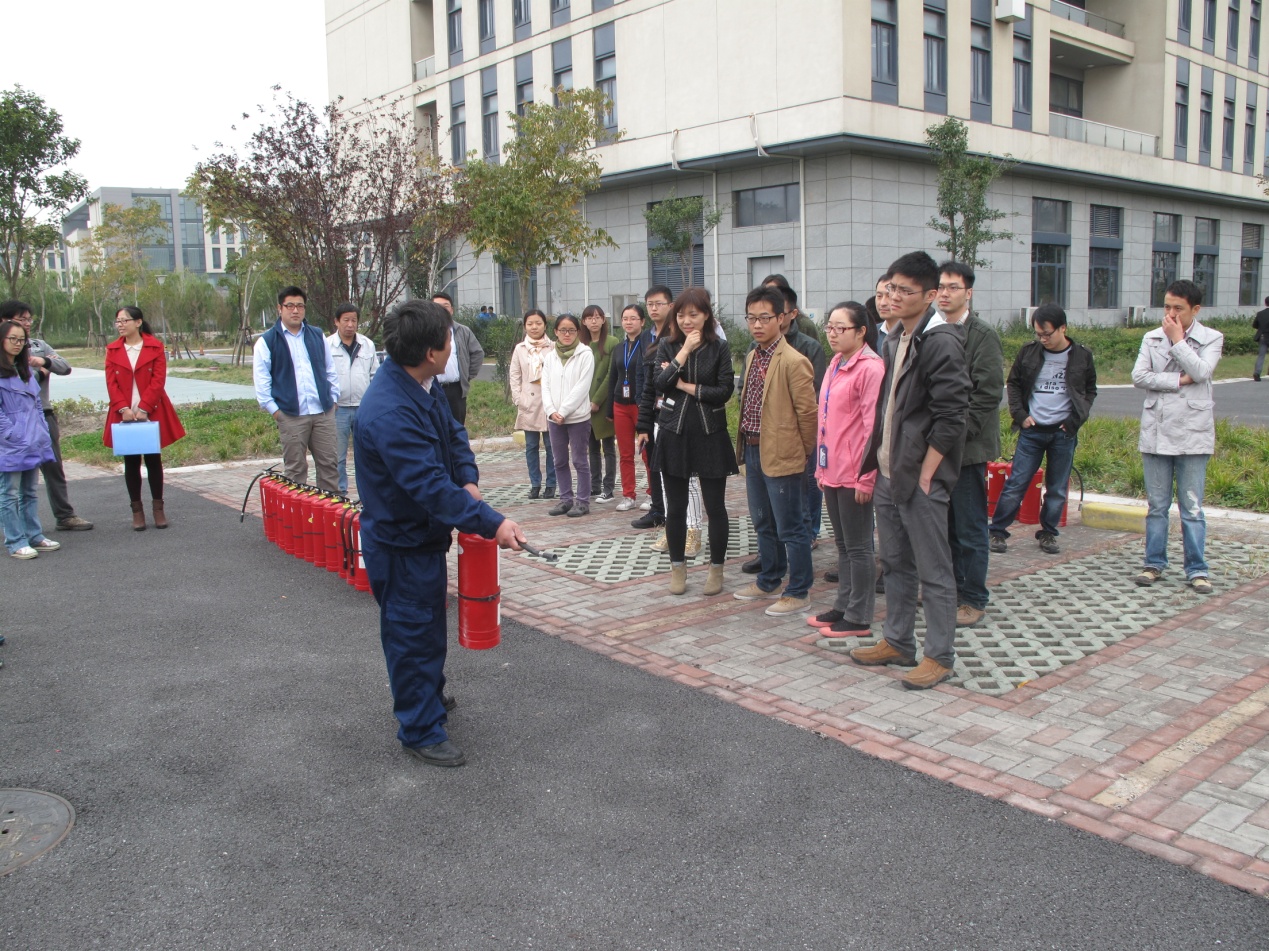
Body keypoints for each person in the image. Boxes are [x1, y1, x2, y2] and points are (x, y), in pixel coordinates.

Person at [353, 299, 525, 768]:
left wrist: (468, 478)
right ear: (431, 352)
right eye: (449, 339)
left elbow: (453, 435)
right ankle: (419, 729)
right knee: (411, 634)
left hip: (422, 540)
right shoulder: (390, 411)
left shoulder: (418, 385)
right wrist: (492, 522)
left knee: (428, 626)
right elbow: (430, 487)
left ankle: (428, 696)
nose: (454, 346)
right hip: (400, 544)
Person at [849, 251, 970, 690]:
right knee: (896, 562)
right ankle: (898, 641)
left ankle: (939, 656)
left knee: (934, 571)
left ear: (930, 295)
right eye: (890, 288)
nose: (893, 297)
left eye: (904, 290)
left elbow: (953, 416)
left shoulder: (941, 341)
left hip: (919, 477)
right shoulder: (894, 337)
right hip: (889, 471)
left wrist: (926, 473)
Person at [1132, 279, 1224, 593]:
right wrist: (1176, 380)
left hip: (1193, 434)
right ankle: (1153, 564)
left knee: (1192, 507)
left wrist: (1177, 340)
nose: (1171, 314)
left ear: (1195, 310)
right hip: (1157, 431)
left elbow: (1201, 372)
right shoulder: (1151, 337)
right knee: (1157, 505)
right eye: (1167, 307)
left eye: (1178, 309)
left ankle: (1197, 569)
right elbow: (1139, 376)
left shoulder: (1212, 338)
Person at [733, 285, 818, 617]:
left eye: (764, 318)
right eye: (751, 318)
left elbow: (808, 415)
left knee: (791, 527)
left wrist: (801, 452)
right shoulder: (753, 355)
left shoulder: (794, 361)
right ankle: (769, 579)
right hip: (754, 450)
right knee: (762, 521)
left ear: (781, 318)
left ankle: (798, 590)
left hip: (784, 455)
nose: (757, 324)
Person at [989, 303, 1097, 556]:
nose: (1043, 339)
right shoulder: (1029, 352)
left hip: (1063, 432)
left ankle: (1048, 533)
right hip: (1032, 430)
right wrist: (1020, 415)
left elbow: (1090, 391)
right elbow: (1013, 384)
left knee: (1057, 488)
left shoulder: (1082, 355)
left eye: (1047, 334)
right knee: (1016, 482)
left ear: (1063, 328)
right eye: (1038, 334)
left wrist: (1074, 420)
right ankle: (997, 532)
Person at [652, 288, 737, 596]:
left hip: (710, 434)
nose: (687, 321)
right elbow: (660, 384)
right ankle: (678, 568)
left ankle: (716, 569)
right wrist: (684, 350)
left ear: (706, 315)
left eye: (694, 315)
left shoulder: (720, 347)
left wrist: (685, 385)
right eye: (681, 315)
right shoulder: (667, 344)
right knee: (676, 507)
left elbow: (724, 391)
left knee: (715, 507)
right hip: (674, 434)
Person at [809, 301, 885, 640]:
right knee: (842, 545)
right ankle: (843, 606)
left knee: (859, 547)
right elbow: (824, 421)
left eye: (841, 328)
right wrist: (820, 469)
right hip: (832, 469)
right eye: (830, 327)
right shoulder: (836, 363)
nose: (833, 334)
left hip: (855, 473)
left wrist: (867, 477)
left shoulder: (871, 368)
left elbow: (872, 428)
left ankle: (859, 615)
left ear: (861, 331)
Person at [936, 262, 1004, 628]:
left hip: (967, 449)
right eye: (941, 287)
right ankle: (951, 591)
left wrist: (955, 436)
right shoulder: (934, 330)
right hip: (936, 448)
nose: (945, 293)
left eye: (953, 287)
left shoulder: (981, 335)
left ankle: (974, 597)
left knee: (970, 527)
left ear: (969, 292)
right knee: (944, 526)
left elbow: (987, 393)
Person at [0, 300, 92, 531]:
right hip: (10, 422)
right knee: (11, 481)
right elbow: (20, 379)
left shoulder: (38, 346)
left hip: (42, 416)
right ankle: (14, 530)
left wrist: (44, 362)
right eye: (20, 319)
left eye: (28, 319)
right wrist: (40, 373)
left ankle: (64, 516)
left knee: (51, 470)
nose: (26, 324)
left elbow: (65, 366)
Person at [104, 306, 187, 530]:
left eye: (125, 320)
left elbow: (158, 380)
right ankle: (137, 511)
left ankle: (158, 509)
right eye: (118, 321)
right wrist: (123, 408)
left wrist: (144, 407)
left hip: (151, 409)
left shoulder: (154, 346)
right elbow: (111, 383)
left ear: (138, 322)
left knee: (153, 460)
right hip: (124, 412)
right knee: (131, 462)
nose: (120, 325)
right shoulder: (112, 349)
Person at [253, 286, 340, 492]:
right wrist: (277, 413)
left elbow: (330, 370)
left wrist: (333, 400)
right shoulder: (267, 341)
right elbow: (262, 383)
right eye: (290, 306)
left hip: (323, 413)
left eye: (300, 306)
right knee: (295, 470)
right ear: (279, 308)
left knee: (329, 466)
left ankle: (329, 509)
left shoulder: (317, 335)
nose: (295, 310)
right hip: (291, 415)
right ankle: (297, 511)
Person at [0, 319, 57, 559]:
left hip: (33, 438)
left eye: (21, 340)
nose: (17, 344)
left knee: (30, 492)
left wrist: (41, 429)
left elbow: (36, 403)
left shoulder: (23, 371)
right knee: (9, 493)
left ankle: (34, 535)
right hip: (11, 443)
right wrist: (12, 434)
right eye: (12, 339)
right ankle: (15, 541)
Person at [542, 314, 595, 518]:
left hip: (578, 417)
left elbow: (582, 387)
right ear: (555, 332)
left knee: (579, 460)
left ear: (578, 332)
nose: (567, 334)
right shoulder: (550, 357)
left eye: (571, 330)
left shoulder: (585, 354)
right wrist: (551, 410)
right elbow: (545, 386)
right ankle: (565, 499)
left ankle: (582, 502)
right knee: (559, 460)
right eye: (562, 330)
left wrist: (563, 411)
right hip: (554, 418)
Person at [326, 302, 378, 496]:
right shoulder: (327, 345)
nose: (350, 324)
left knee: (366, 455)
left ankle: (368, 494)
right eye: (346, 320)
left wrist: (372, 403)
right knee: (337, 456)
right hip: (337, 409)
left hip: (363, 409)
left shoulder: (367, 345)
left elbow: (374, 375)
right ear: (336, 322)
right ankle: (340, 493)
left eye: (354, 320)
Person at [632, 286, 673, 529]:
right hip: (651, 409)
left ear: (671, 305)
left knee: (671, 467)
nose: (654, 308)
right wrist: (643, 413)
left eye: (659, 303)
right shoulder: (646, 337)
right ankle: (657, 509)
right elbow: (642, 377)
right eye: (650, 304)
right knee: (653, 463)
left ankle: (674, 514)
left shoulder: (677, 335)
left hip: (672, 411)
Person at [509, 308, 556, 499]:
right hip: (528, 403)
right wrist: (518, 398)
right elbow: (514, 375)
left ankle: (551, 484)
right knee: (531, 446)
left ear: (545, 325)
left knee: (552, 446)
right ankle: (535, 484)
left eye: (538, 323)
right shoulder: (520, 348)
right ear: (525, 326)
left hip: (549, 403)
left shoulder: (553, 347)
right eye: (530, 323)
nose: (534, 327)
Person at [610, 303, 649, 511]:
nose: (628, 322)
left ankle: (652, 494)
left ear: (642, 321)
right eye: (625, 318)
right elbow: (613, 378)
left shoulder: (648, 345)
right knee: (625, 453)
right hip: (620, 404)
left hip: (640, 404)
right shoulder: (619, 348)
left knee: (647, 452)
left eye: (633, 318)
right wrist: (609, 408)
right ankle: (628, 495)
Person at [430, 290, 485, 424]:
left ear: (452, 310)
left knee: (456, 428)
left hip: (455, 390)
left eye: (445, 306)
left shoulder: (462, 331)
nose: (442, 310)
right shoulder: (424, 331)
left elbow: (477, 353)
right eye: (437, 306)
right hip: (431, 387)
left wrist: (467, 375)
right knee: (433, 427)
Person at [581, 304, 618, 504]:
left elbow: (611, 375)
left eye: (598, 317)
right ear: (584, 322)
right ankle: (594, 486)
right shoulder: (580, 345)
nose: (594, 321)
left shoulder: (612, 342)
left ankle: (608, 487)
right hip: (582, 403)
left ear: (604, 320)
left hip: (604, 403)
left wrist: (596, 400)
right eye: (590, 318)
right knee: (592, 448)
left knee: (608, 447)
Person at [1254, 295, 1269, 382]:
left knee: (1261, 355)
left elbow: (1254, 325)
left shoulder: (1260, 314)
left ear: (1265, 303)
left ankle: (1257, 372)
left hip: (1262, 336)